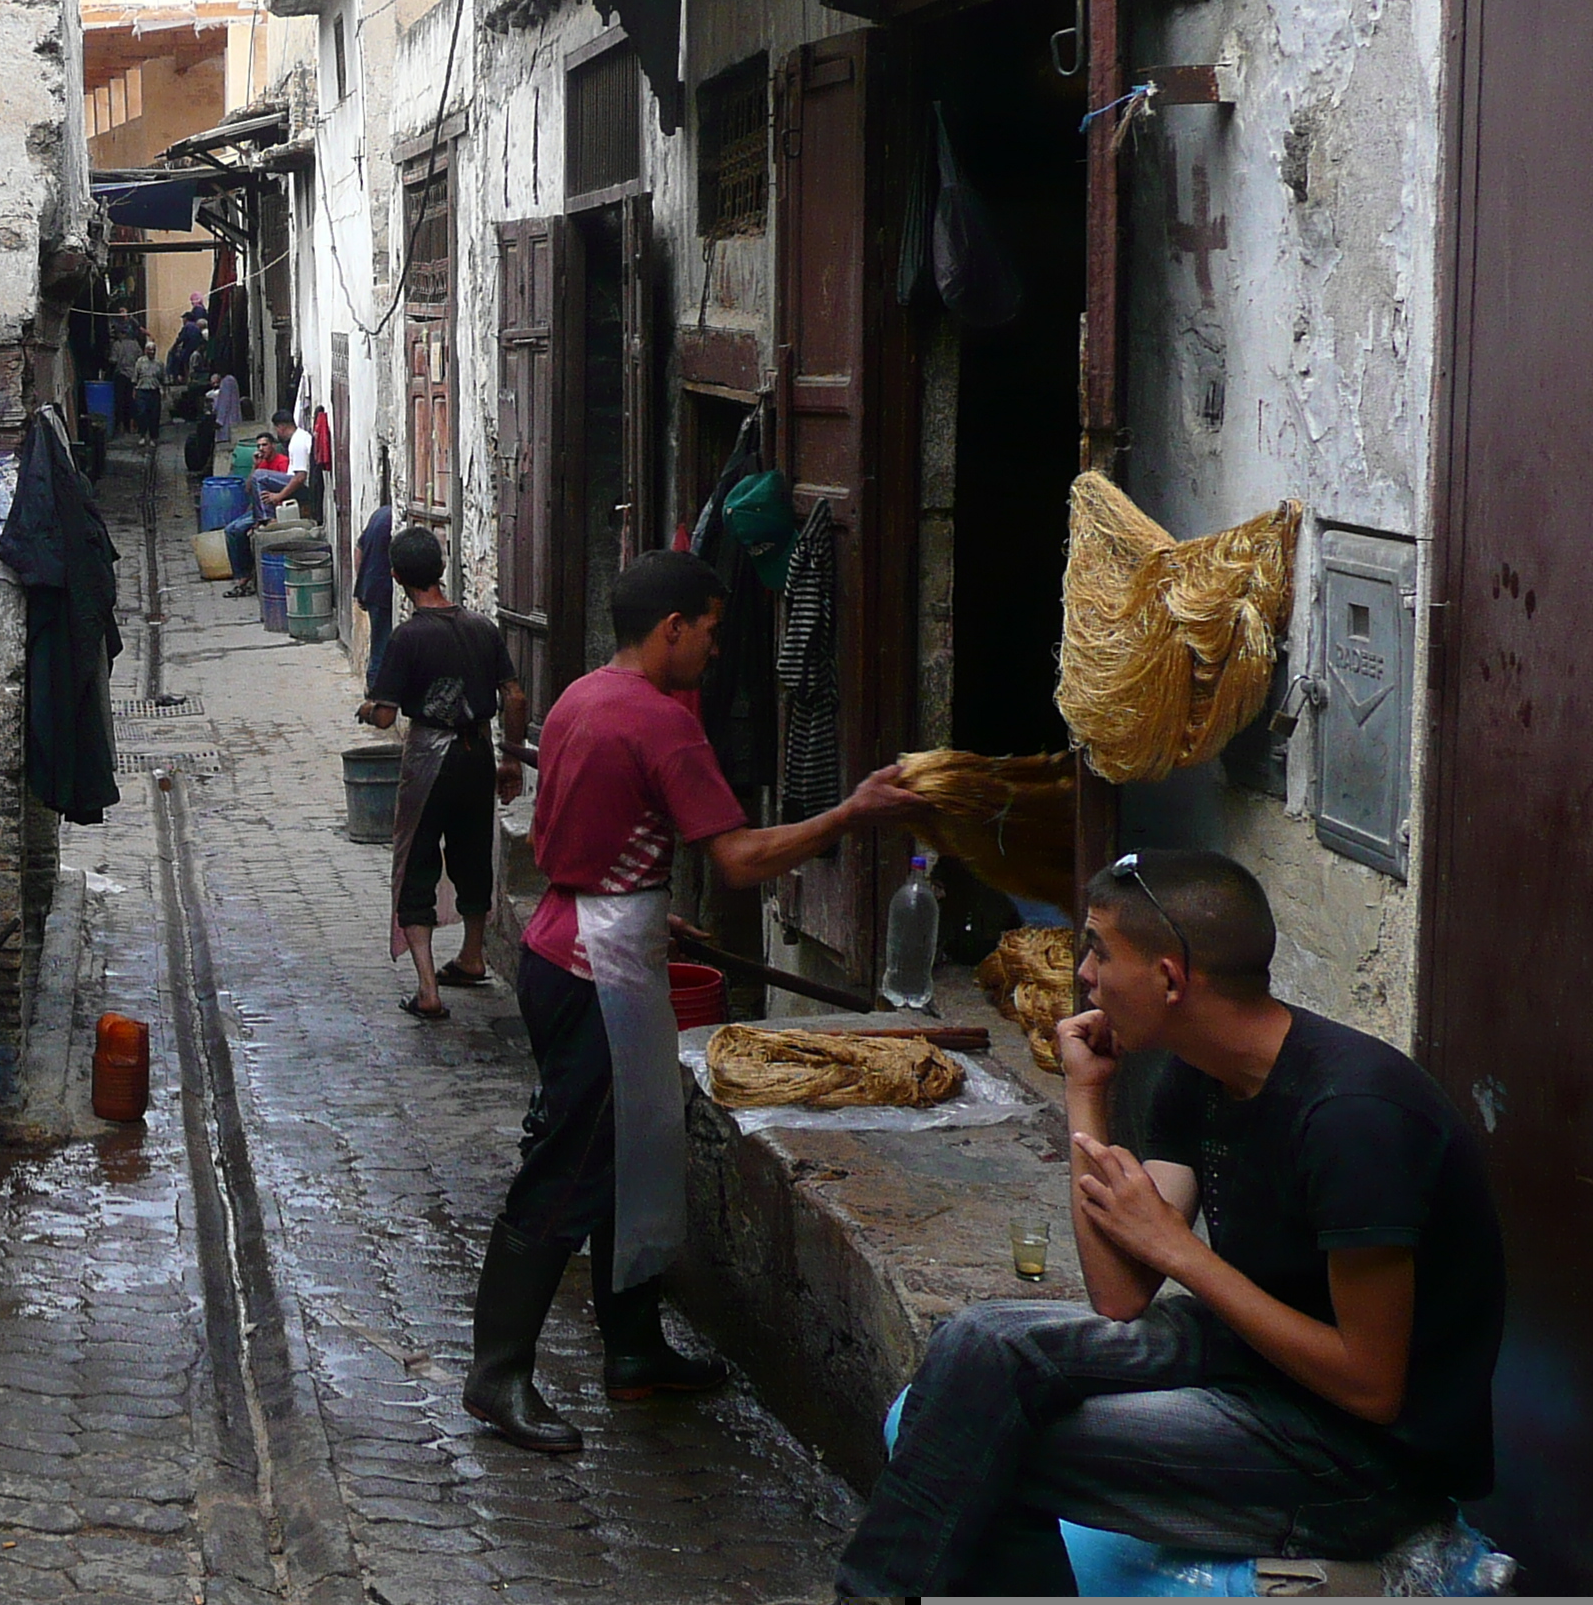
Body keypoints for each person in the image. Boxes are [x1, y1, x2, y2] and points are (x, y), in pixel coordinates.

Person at [834, 850, 1505, 1595]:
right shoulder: (1199, 1072)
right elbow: (1119, 1293)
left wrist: (1183, 1255)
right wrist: (1086, 1094)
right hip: (1254, 1365)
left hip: (1357, 1463)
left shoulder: (1353, 1119)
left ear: (1170, 978)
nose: (1082, 974)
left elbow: (1372, 1385)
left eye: (1098, 950)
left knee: (982, 1442)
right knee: (983, 1343)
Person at [465, 549, 922, 1455]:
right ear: (671, 628)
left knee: (631, 1156)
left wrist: (648, 908)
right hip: (596, 966)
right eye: (710, 631)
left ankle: (633, 1350)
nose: (717, 649)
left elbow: (596, 837)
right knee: (572, 1164)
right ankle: (498, 1374)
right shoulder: (661, 722)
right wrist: (850, 814)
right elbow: (740, 860)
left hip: (578, 937)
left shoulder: (580, 696)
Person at [357, 528, 515, 1018]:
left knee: (417, 864)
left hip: (429, 758)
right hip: (478, 754)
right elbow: (515, 696)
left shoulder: (408, 637)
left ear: (397, 576)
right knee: (472, 855)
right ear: (441, 570)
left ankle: (428, 989)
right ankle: (472, 956)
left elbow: (386, 716)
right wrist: (509, 759)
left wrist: (367, 709)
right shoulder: (482, 627)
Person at [221, 410, 307, 593]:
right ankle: (242, 575)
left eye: (265, 445)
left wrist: (276, 499)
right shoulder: (261, 465)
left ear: (273, 445)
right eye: (259, 446)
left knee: (243, 528)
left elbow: (296, 479)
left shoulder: (283, 461)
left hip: (275, 508)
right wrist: (255, 466)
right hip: (258, 509)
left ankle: (265, 520)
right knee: (231, 530)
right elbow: (248, 489)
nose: (261, 449)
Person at [354, 503, 396, 696]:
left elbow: (359, 549)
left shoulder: (380, 514)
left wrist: (361, 583)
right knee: (382, 643)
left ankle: (374, 689)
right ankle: (376, 694)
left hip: (370, 586)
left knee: (379, 641)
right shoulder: (393, 520)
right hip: (382, 589)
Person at [130, 343, 166, 442]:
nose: (152, 352)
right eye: (149, 350)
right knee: (142, 413)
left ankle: (153, 437)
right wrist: (134, 391)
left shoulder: (159, 363)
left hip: (154, 392)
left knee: (154, 415)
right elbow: (135, 377)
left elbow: (163, 379)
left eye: (153, 350)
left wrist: (164, 392)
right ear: (145, 350)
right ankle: (142, 435)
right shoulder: (140, 362)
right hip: (142, 391)